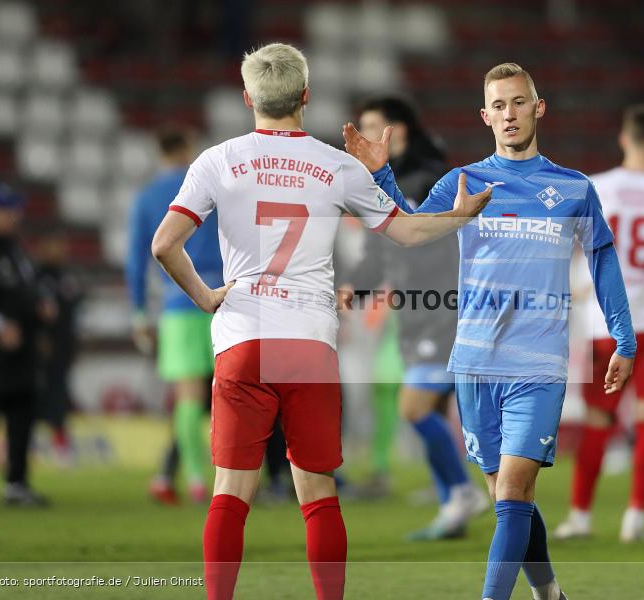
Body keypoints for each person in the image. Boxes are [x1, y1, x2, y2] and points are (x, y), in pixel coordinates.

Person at [149, 42, 491, 600]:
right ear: (306, 96)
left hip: (243, 338)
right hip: (307, 340)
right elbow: (405, 232)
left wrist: (207, 297)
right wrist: (457, 215)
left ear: (247, 96)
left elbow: (165, 245)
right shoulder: (337, 165)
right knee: (318, 493)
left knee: (231, 493)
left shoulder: (217, 159)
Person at [344, 62, 635, 600]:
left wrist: (624, 337)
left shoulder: (572, 188)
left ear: (538, 107)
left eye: (519, 102)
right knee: (509, 496)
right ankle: (548, 592)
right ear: (485, 116)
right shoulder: (463, 184)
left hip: (538, 363)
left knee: (516, 489)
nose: (510, 114)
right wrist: (382, 177)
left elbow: (603, 260)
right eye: (499, 106)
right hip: (475, 361)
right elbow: (406, 233)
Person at [343, 95, 488, 537]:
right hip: (413, 310)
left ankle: (464, 493)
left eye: (371, 126)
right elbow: (379, 249)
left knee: (414, 407)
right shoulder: (383, 186)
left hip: (441, 307)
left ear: (397, 130)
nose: (363, 136)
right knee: (434, 414)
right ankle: (452, 511)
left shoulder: (428, 181)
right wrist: (358, 286)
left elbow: (418, 238)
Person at [554, 105, 644, 543]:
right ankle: (635, 520)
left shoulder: (595, 186)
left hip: (605, 322)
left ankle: (580, 516)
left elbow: (576, 248)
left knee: (598, 419)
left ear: (624, 139)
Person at [126, 127, 223, 504]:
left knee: (187, 397)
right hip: (220, 301)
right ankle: (233, 477)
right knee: (229, 394)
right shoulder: (212, 186)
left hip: (178, 305)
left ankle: (196, 480)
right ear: (187, 149)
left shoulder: (146, 198)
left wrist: (138, 313)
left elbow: (137, 260)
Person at [0, 184, 51, 510]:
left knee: (23, 416)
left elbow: (28, 289)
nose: (14, 216)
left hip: (22, 353)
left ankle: (16, 483)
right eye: (7, 210)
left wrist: (40, 310)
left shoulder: (16, 249)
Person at [35, 229, 84, 464]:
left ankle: (59, 444)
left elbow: (72, 312)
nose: (62, 250)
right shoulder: (37, 277)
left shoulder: (66, 278)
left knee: (58, 396)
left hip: (63, 349)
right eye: (56, 244)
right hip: (44, 350)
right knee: (40, 396)